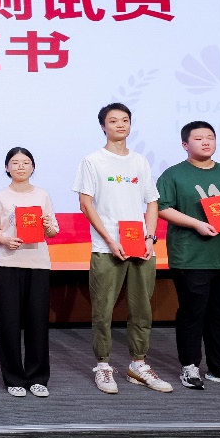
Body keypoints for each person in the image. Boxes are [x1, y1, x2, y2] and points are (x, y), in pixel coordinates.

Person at [73, 102, 172, 394]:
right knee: (102, 311)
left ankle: (138, 365)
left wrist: (150, 238)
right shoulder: (92, 160)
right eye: (113, 120)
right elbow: (86, 204)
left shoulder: (139, 161)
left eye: (125, 120)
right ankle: (103, 366)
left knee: (142, 310)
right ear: (103, 126)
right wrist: (109, 239)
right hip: (107, 247)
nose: (120, 124)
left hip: (140, 246)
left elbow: (152, 202)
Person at [158, 121, 220, 391]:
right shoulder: (174, 174)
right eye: (199, 138)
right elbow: (162, 207)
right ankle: (189, 366)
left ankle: (219, 367)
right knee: (192, 312)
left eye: (210, 137)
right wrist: (196, 224)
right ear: (185, 144)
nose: (205, 142)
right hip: (191, 256)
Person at [0, 147, 59, 398]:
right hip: (8, 264)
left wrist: (47, 226)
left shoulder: (42, 195)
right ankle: (14, 378)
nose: (20, 167)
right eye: (15, 163)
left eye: (26, 162)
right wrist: (5, 240)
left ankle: (38, 378)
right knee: (10, 323)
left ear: (33, 167)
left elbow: (52, 232)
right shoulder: (1, 197)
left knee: (38, 322)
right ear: (7, 168)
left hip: (38, 264)